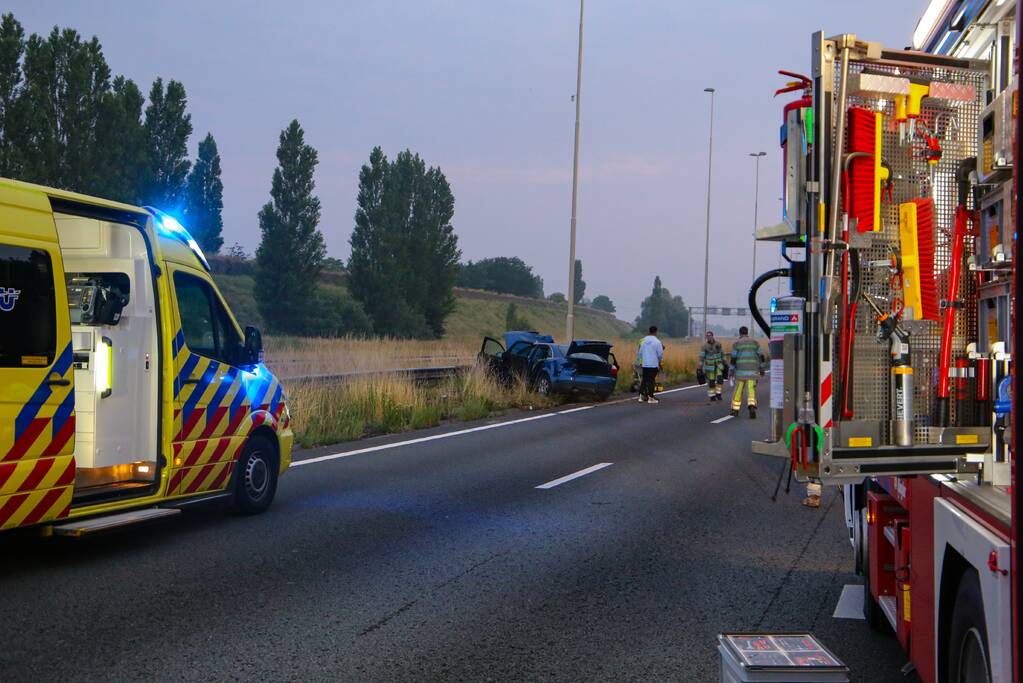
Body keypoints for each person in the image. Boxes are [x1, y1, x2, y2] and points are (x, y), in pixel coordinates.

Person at [729, 326, 767, 418]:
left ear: (740, 333)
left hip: (740, 373)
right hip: (753, 372)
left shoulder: (737, 343)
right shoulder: (755, 343)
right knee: (751, 389)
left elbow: (733, 359)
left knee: (738, 390)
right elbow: (761, 356)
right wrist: (762, 368)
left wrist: (731, 371)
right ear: (747, 332)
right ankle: (752, 406)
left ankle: (735, 410)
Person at [637, 326, 664, 404]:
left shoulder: (644, 341)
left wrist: (641, 361)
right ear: (655, 332)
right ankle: (651, 398)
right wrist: (659, 362)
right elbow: (660, 354)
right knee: (651, 380)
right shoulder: (657, 342)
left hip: (645, 364)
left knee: (644, 380)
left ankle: (641, 397)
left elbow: (640, 353)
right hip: (653, 364)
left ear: (649, 331)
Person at [699, 331, 726, 402]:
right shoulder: (704, 346)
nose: (708, 337)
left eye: (710, 336)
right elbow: (702, 357)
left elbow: (722, 353)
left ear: (712, 336)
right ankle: (712, 396)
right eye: (707, 336)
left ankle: (718, 394)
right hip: (710, 367)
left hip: (719, 365)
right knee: (711, 382)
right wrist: (700, 366)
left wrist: (725, 362)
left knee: (720, 379)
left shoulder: (718, 344)